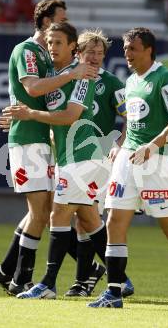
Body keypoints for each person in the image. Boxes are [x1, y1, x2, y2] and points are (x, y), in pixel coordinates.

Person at [88, 27, 168, 309]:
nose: (127, 54)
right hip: (129, 158)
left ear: (149, 50)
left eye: (133, 48)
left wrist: (152, 146)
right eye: (125, 49)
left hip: (158, 160)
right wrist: (120, 144)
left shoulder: (164, 78)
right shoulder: (131, 81)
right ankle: (114, 292)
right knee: (114, 220)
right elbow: (130, 123)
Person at [0, 0, 97, 296]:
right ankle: (21, 278)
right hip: (28, 139)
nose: (63, 21)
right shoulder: (27, 51)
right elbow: (33, 88)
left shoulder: (48, 57)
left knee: (46, 210)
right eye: (60, 17)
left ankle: (8, 271)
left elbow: (41, 99)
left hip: (43, 137)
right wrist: (71, 74)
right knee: (41, 212)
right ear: (46, 20)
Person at [63, 28, 130, 298]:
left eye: (100, 53)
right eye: (90, 51)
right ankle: (103, 274)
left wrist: (120, 145)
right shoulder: (67, 78)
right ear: (78, 52)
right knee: (73, 218)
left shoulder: (112, 83)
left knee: (84, 216)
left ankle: (84, 280)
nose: (96, 57)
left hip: (98, 158)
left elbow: (130, 118)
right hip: (70, 156)